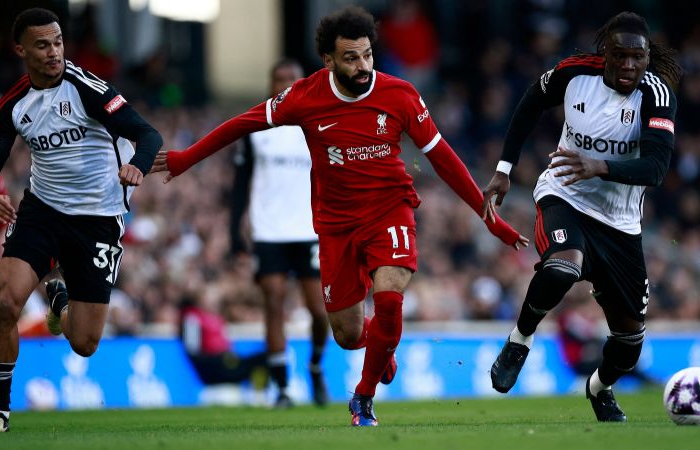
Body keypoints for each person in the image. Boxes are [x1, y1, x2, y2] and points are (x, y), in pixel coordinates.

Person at [152, 6, 528, 426]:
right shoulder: (304, 96)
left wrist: (487, 215)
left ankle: (363, 399)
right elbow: (241, 123)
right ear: (328, 60)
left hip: (390, 209)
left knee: (389, 298)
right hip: (335, 226)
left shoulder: (400, 94)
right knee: (349, 337)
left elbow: (442, 159)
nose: (363, 65)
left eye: (367, 54)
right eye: (351, 57)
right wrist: (187, 158)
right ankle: (381, 346)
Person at [0, 8, 162, 433]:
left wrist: (139, 166)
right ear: (21, 50)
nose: (54, 52)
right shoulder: (12, 105)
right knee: (5, 303)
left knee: (85, 343)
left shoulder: (89, 88)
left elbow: (148, 134)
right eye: (42, 45)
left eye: (57, 42)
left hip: (98, 218)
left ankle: (60, 301)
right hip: (42, 211)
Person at [481, 11, 680, 422]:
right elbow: (530, 103)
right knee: (561, 268)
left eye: (637, 58)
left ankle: (599, 388)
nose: (628, 66)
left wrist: (600, 166)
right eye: (619, 56)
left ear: (647, 58)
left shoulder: (657, 97)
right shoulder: (573, 73)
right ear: (603, 53)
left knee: (628, 343)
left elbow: (657, 168)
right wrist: (504, 168)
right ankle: (520, 340)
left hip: (620, 223)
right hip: (564, 195)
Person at [229, 59, 329, 408]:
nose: (285, 85)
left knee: (319, 311)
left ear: (303, 83)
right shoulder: (256, 128)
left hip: (311, 231)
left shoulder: (318, 125)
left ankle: (315, 366)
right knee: (273, 303)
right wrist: (233, 233)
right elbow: (240, 185)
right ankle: (283, 388)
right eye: (279, 79)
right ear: (270, 84)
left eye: (292, 79)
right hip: (268, 231)